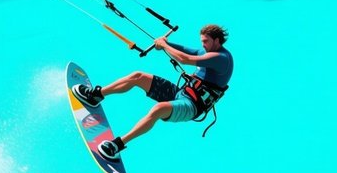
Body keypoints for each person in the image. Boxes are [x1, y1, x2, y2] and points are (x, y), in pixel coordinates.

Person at [73, 23, 233, 160]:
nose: (203, 45)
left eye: (206, 42)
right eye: (202, 41)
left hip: (191, 106)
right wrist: (164, 42)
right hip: (179, 93)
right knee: (138, 76)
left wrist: (164, 45)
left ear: (217, 41)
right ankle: (95, 96)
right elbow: (183, 50)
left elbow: (185, 59)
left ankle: (117, 145)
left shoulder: (222, 59)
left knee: (158, 109)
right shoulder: (205, 52)